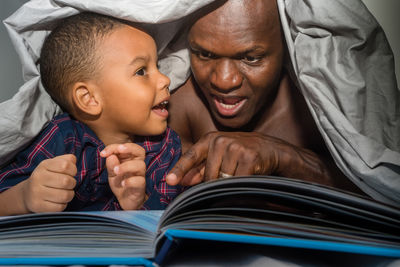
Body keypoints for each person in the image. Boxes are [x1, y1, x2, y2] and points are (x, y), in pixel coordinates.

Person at [166, 0, 396, 197]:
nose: (224, 80)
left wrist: (284, 158)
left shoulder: (324, 110)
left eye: (251, 58)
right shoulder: (179, 103)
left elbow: (382, 192)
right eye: (205, 55)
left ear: (286, 50)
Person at [0, 12, 182, 216]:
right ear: (89, 99)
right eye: (141, 71)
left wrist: (140, 202)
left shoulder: (166, 146)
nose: (165, 79)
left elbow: (172, 217)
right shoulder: (62, 138)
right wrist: (24, 197)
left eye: (157, 66)